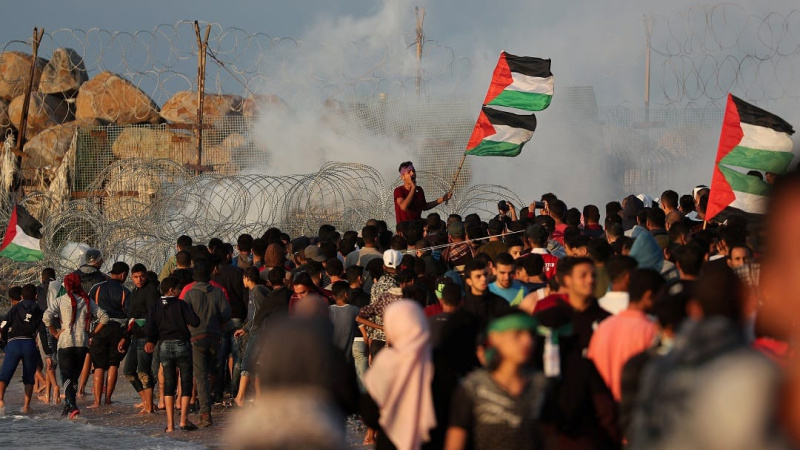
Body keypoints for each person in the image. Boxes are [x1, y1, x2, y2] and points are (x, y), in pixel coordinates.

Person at [628, 264, 787, 449]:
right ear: (746, 307)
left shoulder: (658, 369)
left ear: (694, 309)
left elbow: (641, 438)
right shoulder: (764, 372)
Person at [445, 312, 547, 450]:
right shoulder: (473, 389)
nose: (528, 341)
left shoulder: (541, 386)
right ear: (495, 338)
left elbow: (549, 438)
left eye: (531, 334)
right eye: (517, 334)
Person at [361, 300, 437, 450]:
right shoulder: (436, 360)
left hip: (389, 441)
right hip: (430, 441)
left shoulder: (386, 361)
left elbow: (369, 413)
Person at [587, 269, 664, 401]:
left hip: (605, 404)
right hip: (633, 403)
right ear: (649, 296)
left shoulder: (603, 327)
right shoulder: (652, 330)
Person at [43, 272, 109, 419]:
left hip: (65, 342)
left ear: (66, 285)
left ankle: (73, 406)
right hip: (82, 343)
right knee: (74, 377)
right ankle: (68, 406)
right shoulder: (87, 300)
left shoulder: (60, 300)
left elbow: (46, 316)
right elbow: (104, 318)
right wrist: (91, 333)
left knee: (66, 376)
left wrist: (54, 332)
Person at [144, 277, 200, 432]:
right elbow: (195, 322)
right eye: (178, 288)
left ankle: (170, 425)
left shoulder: (155, 306)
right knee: (186, 381)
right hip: (182, 344)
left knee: (169, 383)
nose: (180, 291)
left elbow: (149, 328)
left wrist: (150, 341)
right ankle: (183, 420)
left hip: (164, 345)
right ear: (171, 290)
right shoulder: (181, 304)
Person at [184, 258, 232, 427]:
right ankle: (208, 401)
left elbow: (185, 317)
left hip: (196, 338)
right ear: (210, 274)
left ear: (194, 276)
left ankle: (205, 414)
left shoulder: (189, 294)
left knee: (200, 376)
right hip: (215, 338)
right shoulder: (218, 292)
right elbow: (226, 314)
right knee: (212, 373)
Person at [0, 284, 51, 414]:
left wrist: (3, 343)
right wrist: (48, 353)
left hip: (14, 344)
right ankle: (26, 406)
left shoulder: (15, 308)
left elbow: (3, 327)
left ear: (21, 296)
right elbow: (43, 334)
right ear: (36, 296)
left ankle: (0, 400)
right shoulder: (39, 311)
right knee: (29, 377)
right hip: (29, 344)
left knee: (5, 375)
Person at [88, 261, 131, 408]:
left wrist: (89, 333)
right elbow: (129, 315)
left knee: (98, 366)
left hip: (100, 328)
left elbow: (89, 310)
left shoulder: (97, 288)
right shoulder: (125, 291)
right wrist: (125, 335)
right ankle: (107, 400)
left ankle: (96, 402)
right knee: (113, 364)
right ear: (123, 275)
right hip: (117, 329)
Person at [123, 263, 160, 414]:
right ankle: (146, 402)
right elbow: (131, 316)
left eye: (142, 276)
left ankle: (149, 407)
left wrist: (151, 339)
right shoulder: (134, 292)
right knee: (128, 371)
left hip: (146, 336)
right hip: (135, 335)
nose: (139, 280)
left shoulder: (151, 291)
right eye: (136, 277)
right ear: (131, 277)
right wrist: (124, 337)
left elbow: (154, 315)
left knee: (144, 372)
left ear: (146, 276)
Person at [462, 259, 511, 331]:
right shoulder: (461, 306)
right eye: (478, 276)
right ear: (469, 281)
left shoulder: (500, 303)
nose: (484, 279)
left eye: (485, 274)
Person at [329, 281, 360, 365]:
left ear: (334, 296)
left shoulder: (328, 310)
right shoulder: (355, 310)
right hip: (347, 361)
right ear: (346, 294)